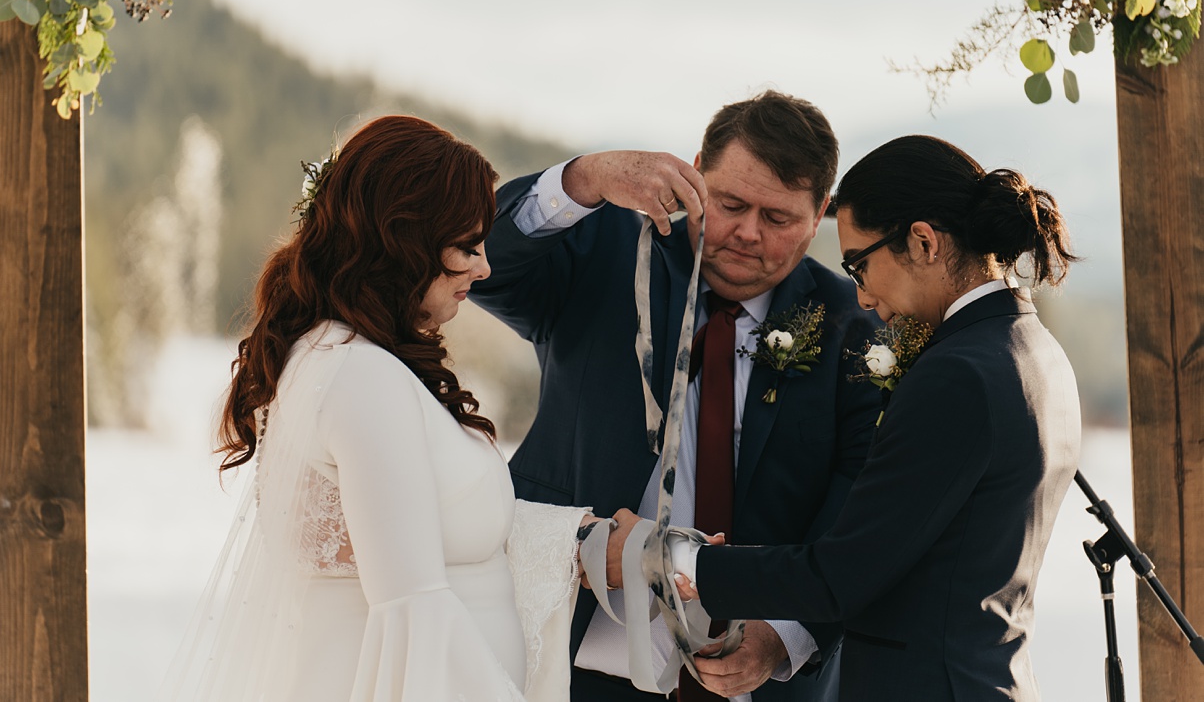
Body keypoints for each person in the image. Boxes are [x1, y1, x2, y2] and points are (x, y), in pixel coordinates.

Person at [159, 115, 597, 702]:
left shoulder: (337, 355)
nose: (485, 268)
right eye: (467, 247)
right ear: (402, 242)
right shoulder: (362, 376)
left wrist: (575, 539)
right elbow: (412, 612)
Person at [470, 90, 882, 701]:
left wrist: (785, 638)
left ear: (821, 210)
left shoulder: (854, 327)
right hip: (566, 658)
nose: (746, 233)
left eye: (778, 219)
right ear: (695, 172)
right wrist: (582, 179)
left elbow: (857, 508)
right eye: (731, 203)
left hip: (756, 684)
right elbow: (488, 261)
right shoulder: (604, 252)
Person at [672, 135, 1082, 701]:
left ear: (922, 242)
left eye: (858, 265)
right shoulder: (1036, 350)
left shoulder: (956, 374)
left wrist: (677, 560)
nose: (861, 297)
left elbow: (840, 575)